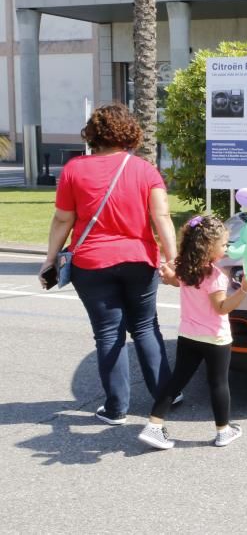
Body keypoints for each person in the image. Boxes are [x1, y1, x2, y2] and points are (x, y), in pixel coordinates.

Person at [40, 104, 178, 425]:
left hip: (91, 263)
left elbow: (63, 219)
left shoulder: (74, 170)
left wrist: (49, 260)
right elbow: (162, 218)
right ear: (130, 133)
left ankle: (116, 408)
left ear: (93, 134)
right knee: (145, 327)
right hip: (139, 261)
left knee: (108, 334)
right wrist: (172, 260)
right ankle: (166, 394)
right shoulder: (145, 170)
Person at [138, 215, 247, 450]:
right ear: (208, 247)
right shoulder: (215, 277)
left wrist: (168, 275)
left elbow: (176, 281)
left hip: (188, 335)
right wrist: (243, 291)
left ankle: (153, 425)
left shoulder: (186, 268)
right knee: (219, 384)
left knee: (177, 381)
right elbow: (221, 308)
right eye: (223, 244)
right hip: (215, 338)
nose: (227, 247)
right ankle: (223, 431)